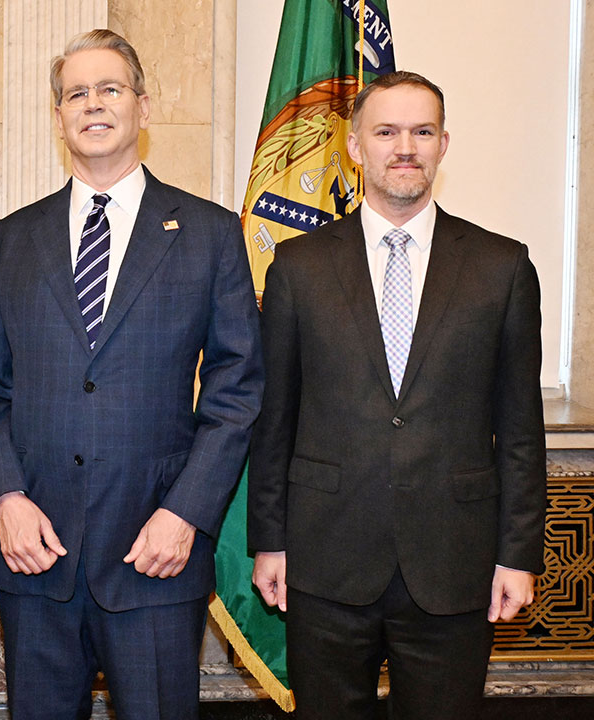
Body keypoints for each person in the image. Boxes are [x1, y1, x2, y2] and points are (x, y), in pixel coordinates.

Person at [0, 29, 263, 719]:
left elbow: (238, 389)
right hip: (36, 554)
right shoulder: (13, 238)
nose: (93, 103)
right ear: (59, 116)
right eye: (76, 93)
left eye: (109, 88)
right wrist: (6, 497)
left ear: (143, 106)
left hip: (156, 553)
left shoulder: (211, 233)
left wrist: (186, 513)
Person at [249, 70, 545, 719]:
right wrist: (269, 540)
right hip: (324, 562)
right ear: (356, 146)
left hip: (456, 564)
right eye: (386, 132)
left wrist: (518, 556)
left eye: (422, 132)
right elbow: (274, 420)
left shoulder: (502, 267)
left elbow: (522, 430)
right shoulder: (298, 267)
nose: (404, 147)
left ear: (444, 144)